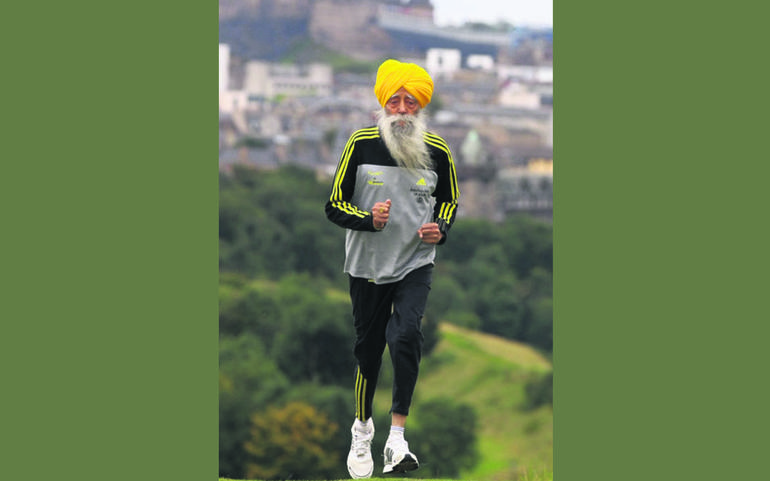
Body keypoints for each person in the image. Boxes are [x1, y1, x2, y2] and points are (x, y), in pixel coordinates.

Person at [325, 58, 460, 478]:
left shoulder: (438, 151)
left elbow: (449, 200)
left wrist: (440, 229)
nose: (402, 110)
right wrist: (369, 219)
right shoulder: (360, 143)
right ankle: (362, 428)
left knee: (406, 336)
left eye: (410, 102)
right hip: (367, 265)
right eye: (395, 101)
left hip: (415, 262)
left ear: (421, 107)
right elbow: (334, 204)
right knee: (368, 352)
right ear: (383, 103)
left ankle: (397, 438)